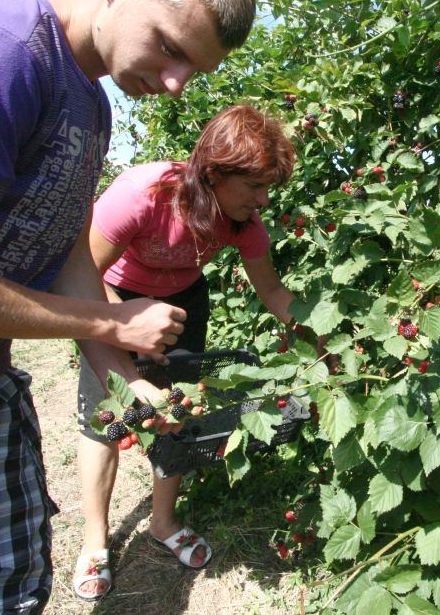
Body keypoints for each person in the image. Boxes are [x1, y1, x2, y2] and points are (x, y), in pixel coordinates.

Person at [0, 0, 256, 613]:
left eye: (194, 69)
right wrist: (113, 322)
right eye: (170, 47)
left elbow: (64, 254)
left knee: (6, 592)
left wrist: (130, 380)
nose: (176, 83)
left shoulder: (89, 108)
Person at [73, 103, 296, 599]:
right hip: (110, 296)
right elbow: (82, 270)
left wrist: (322, 336)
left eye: (267, 189)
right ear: (214, 172)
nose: (262, 200)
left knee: (176, 413)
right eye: (254, 186)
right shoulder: (142, 195)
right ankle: (94, 543)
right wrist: (122, 329)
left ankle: (162, 521)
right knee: (107, 419)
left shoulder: (244, 222)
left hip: (183, 306)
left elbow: (275, 294)